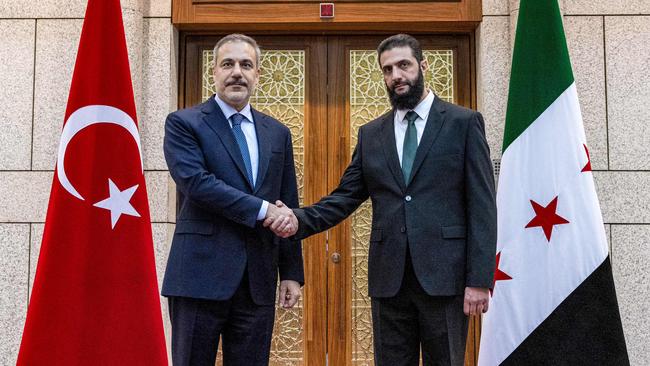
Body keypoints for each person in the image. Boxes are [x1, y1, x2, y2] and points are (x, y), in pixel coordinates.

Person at [268, 34, 496, 366]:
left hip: (445, 280)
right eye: (387, 70)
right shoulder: (372, 133)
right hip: (389, 281)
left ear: (422, 65)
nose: (396, 76)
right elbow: (345, 197)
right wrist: (298, 219)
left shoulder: (463, 123)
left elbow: (483, 206)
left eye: (403, 65)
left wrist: (479, 279)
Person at [161, 33, 304, 366]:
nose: (237, 72)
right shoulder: (185, 123)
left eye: (246, 64)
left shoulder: (277, 132)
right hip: (198, 277)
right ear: (214, 71)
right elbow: (197, 183)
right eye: (228, 64)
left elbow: (286, 202)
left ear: (258, 74)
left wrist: (292, 272)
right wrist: (261, 209)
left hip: (258, 280)